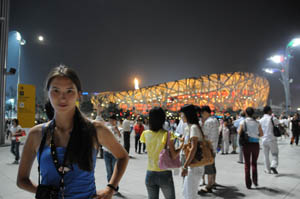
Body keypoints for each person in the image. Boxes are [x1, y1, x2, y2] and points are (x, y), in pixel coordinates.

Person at [16, 65, 129, 199]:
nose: (62, 98)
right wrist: (43, 191)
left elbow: (123, 157)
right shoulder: (37, 134)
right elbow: (21, 180)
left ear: (79, 95)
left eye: (69, 91)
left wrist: (110, 188)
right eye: (56, 90)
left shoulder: (95, 129)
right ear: (48, 93)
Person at [140, 107, 181, 199]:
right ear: (163, 119)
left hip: (150, 172)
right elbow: (174, 155)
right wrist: (181, 147)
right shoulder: (168, 134)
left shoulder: (145, 133)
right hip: (164, 173)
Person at [179, 104, 204, 199]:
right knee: (186, 192)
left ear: (187, 115)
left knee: (190, 195)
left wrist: (185, 166)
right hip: (192, 165)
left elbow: (193, 148)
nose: (181, 117)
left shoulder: (193, 127)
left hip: (194, 166)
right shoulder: (189, 127)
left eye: (182, 114)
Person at [238, 107, 263, 189]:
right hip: (255, 144)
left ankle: (248, 184)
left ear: (246, 113)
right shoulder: (257, 122)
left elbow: (239, 132)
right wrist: (255, 135)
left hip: (247, 144)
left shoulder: (243, 121)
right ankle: (255, 181)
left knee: (247, 164)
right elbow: (261, 134)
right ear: (253, 113)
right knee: (254, 163)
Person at [199, 105, 219, 193]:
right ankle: (213, 182)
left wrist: (202, 125)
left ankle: (209, 185)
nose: (202, 116)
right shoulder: (215, 120)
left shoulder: (208, 122)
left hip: (208, 147)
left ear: (206, 112)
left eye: (202, 114)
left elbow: (204, 134)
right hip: (214, 146)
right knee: (212, 164)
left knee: (209, 166)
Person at [103, 114, 122, 194]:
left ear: (115, 121)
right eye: (110, 120)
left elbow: (120, 138)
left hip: (115, 153)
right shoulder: (107, 128)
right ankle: (110, 188)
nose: (111, 122)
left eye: (112, 120)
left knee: (115, 171)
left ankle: (115, 188)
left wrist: (116, 129)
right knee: (109, 171)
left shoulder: (120, 129)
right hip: (106, 151)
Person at [259, 106, 280, 174]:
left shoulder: (261, 120)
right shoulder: (272, 118)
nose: (272, 111)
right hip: (272, 139)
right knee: (275, 154)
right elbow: (278, 123)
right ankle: (273, 165)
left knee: (266, 155)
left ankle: (267, 170)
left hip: (264, 140)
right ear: (268, 111)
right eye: (271, 110)